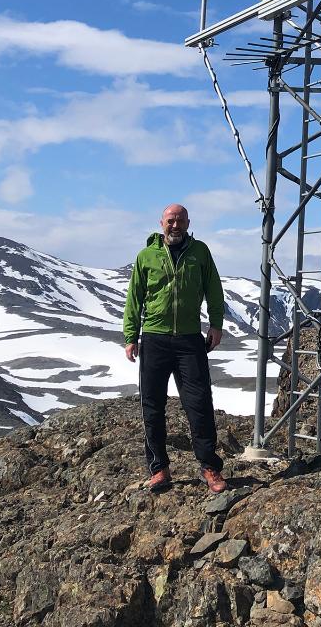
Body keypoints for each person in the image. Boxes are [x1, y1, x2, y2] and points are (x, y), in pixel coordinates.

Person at [123, 203, 228, 494]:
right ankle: (159, 469)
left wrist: (216, 324)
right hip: (155, 339)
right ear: (161, 223)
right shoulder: (146, 256)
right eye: (171, 220)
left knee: (199, 405)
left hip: (189, 340)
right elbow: (135, 297)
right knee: (152, 406)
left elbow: (214, 289)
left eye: (180, 220)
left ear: (188, 222)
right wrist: (131, 335)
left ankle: (209, 467)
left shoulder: (200, 252)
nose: (176, 225)